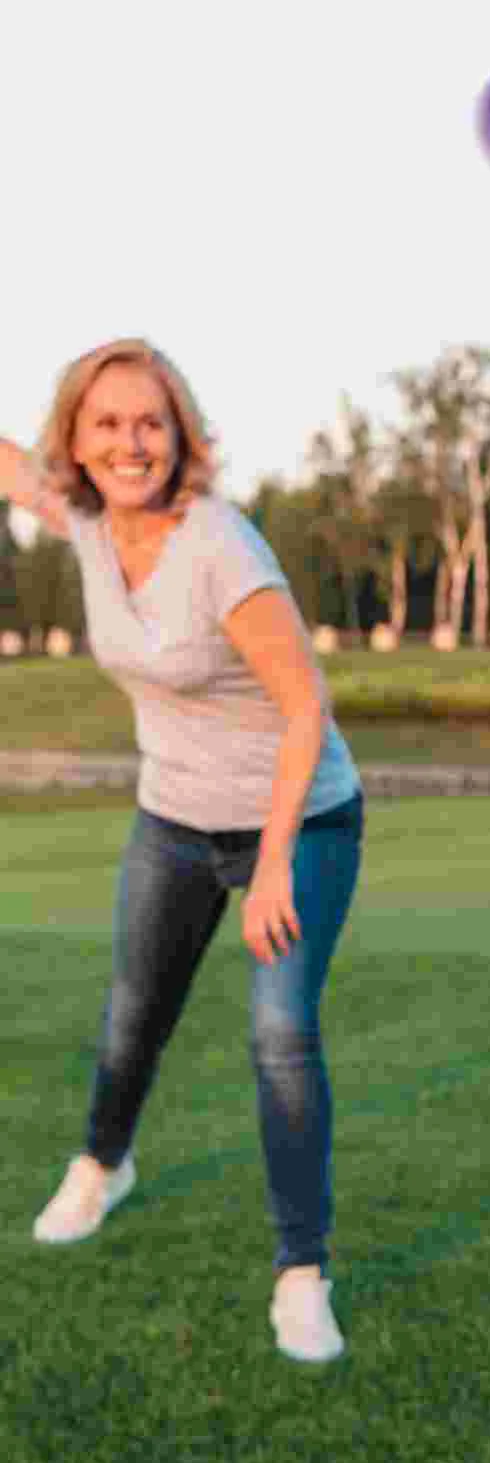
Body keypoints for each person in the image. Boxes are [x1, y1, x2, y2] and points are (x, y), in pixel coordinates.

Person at [0, 339, 365, 1365]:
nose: (129, 441)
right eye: (107, 422)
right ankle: (101, 1164)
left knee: (280, 1034)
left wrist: (277, 864)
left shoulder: (221, 546)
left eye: (149, 421)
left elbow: (306, 708)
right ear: (75, 433)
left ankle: (303, 1272)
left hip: (302, 820)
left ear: (181, 434)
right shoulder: (80, 517)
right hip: (172, 818)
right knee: (132, 1016)